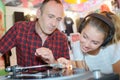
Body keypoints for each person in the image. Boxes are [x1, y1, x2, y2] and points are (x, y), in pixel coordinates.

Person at [0, 0, 70, 71]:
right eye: (50, 16)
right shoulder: (19, 28)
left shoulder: (62, 38)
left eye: (58, 19)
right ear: (39, 13)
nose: (54, 24)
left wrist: (53, 62)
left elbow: (67, 69)